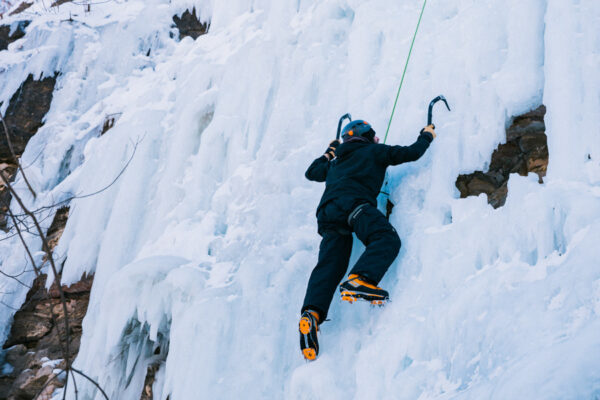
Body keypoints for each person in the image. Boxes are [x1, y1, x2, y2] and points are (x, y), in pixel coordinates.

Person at [298, 119, 436, 361]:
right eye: (375, 136)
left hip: (328, 215)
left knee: (330, 266)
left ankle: (311, 314)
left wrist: (329, 153)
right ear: (369, 137)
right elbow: (412, 153)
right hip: (354, 206)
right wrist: (426, 135)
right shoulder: (375, 151)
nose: (378, 139)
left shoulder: (336, 162)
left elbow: (311, 172)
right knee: (386, 238)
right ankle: (360, 279)